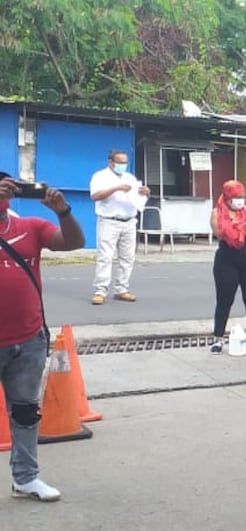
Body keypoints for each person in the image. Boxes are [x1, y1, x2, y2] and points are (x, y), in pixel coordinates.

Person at [0, 172, 85, 502]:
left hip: (28, 340)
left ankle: (25, 478)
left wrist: (63, 212)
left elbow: (74, 242)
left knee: (24, 413)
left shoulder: (31, 227)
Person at [209, 180, 246, 354]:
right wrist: (243, 227)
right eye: (236, 197)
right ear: (227, 197)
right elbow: (220, 234)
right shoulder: (217, 213)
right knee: (224, 300)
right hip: (227, 261)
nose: (240, 200)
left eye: (242, 197)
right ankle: (218, 338)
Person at [89, 149, 150, 305]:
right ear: (111, 162)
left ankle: (121, 289)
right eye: (120, 162)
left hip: (129, 220)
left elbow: (138, 196)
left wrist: (146, 193)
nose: (123, 165)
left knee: (127, 257)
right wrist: (115, 188)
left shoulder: (130, 177)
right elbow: (95, 196)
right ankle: (100, 291)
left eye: (125, 162)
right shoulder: (100, 176)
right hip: (109, 220)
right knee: (105, 256)